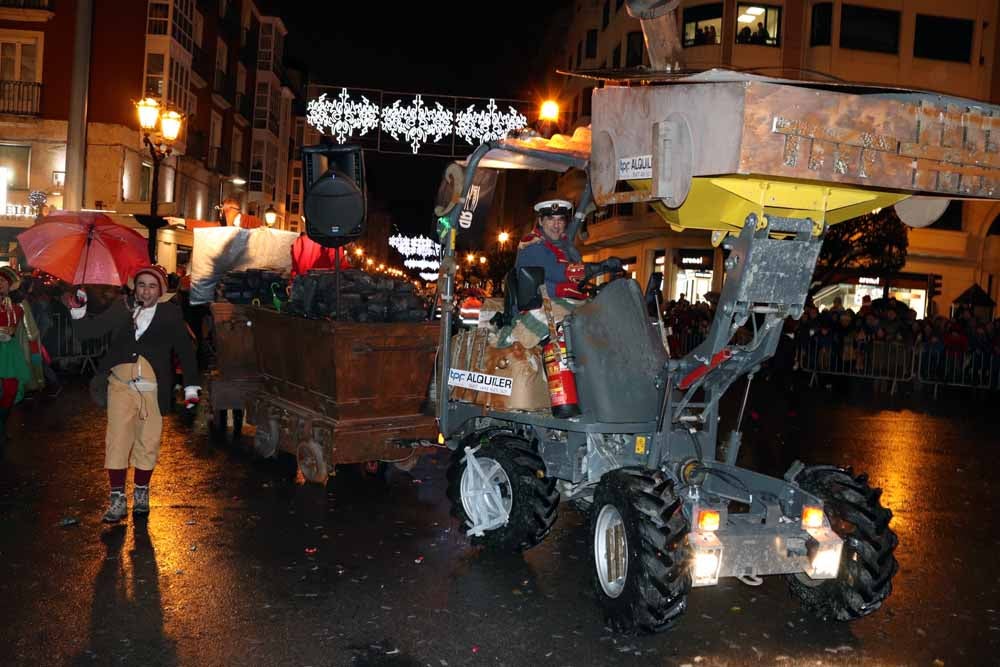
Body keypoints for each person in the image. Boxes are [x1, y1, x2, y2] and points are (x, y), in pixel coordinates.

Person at [65, 265, 199, 523]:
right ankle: (116, 499)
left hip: (153, 389)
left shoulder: (170, 313)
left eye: (152, 286)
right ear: (134, 288)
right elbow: (88, 333)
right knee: (117, 439)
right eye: (141, 285)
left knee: (148, 442)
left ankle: (141, 493)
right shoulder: (122, 307)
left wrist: (191, 386)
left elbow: (185, 349)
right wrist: (79, 309)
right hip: (120, 386)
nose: (146, 291)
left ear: (161, 290)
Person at [515, 199, 621, 300]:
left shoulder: (565, 244)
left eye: (560, 219)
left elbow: (577, 273)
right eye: (551, 219)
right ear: (541, 221)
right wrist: (595, 268)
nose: (556, 225)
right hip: (539, 302)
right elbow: (556, 272)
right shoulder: (532, 243)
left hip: (564, 299)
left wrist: (602, 271)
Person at [0, 267, 33, 445]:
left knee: (10, 390)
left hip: (9, 352)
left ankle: (2, 426)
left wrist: (11, 329)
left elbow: (14, 328)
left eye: (3, 281)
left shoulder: (16, 307)